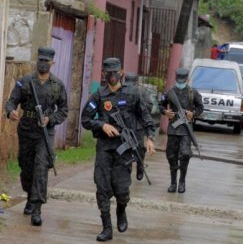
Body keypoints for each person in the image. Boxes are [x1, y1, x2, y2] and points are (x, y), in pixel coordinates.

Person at [81, 57, 156, 242]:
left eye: (115, 72)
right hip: (105, 149)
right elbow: (85, 119)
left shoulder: (133, 93)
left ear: (121, 72)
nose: (112, 76)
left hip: (124, 151)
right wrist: (101, 125)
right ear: (103, 74)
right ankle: (107, 228)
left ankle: (121, 210)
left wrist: (150, 138)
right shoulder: (98, 96)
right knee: (102, 187)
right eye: (108, 73)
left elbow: (146, 118)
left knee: (122, 191)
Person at [5, 47, 68, 226]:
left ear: (52, 63)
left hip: (44, 133)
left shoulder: (57, 85)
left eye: (46, 61)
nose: (43, 63)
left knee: (41, 168)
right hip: (26, 129)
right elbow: (11, 102)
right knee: (26, 168)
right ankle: (30, 197)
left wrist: (50, 119)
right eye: (40, 60)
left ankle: (37, 208)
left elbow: (63, 110)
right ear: (37, 60)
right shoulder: (25, 81)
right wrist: (10, 112)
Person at [160, 68, 203, 194]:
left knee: (185, 154)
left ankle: (182, 181)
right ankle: (173, 182)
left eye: (182, 80)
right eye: (179, 79)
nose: (180, 82)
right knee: (171, 156)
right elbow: (161, 104)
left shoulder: (192, 92)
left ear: (187, 79)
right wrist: (165, 112)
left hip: (186, 130)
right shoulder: (169, 92)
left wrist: (193, 113)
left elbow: (201, 107)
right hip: (173, 129)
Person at [124, 72, 153, 181]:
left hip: (138, 125)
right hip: (126, 125)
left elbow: (150, 106)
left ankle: (140, 166)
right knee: (127, 148)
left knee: (140, 148)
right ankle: (128, 169)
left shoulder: (143, 92)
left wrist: (139, 106)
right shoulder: (122, 90)